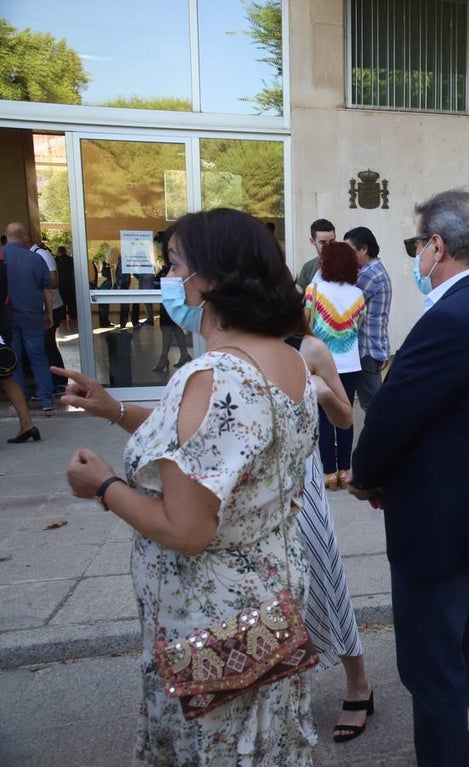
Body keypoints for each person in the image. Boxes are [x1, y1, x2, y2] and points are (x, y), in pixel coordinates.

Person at [56, 208, 318, 764]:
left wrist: (103, 485)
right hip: (271, 599)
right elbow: (215, 444)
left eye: (173, 264)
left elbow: (188, 528)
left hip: (210, 619)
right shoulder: (288, 363)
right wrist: (115, 408)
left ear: (212, 279)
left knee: (213, 746)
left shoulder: (213, 375)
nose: (165, 277)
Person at [349, 189, 469, 766]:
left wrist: (366, 475)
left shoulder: (450, 316)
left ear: (438, 246)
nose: (416, 257)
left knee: (434, 669)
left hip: (436, 527)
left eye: (415, 245)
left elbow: (391, 415)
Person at [286, 323, 375, 743]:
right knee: (277, 595)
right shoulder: (229, 344)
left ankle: (358, 683)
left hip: (301, 484)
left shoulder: (309, 347)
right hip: (254, 489)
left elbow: (343, 414)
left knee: (324, 580)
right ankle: (287, 690)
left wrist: (321, 391)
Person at [304, 241, 365, 489]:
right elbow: (358, 325)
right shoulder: (358, 294)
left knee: (325, 416)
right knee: (346, 414)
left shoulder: (313, 290)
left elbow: (305, 322)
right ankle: (345, 469)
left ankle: (329, 472)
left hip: (322, 363)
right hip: (351, 363)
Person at [3, 223, 54, 412]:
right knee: (38, 357)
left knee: (13, 359)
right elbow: (46, 288)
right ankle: (46, 399)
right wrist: (48, 313)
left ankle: (19, 400)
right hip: (33, 316)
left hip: (7, 317)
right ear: (24, 237)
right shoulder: (35, 258)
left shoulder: (1, 256)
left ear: (6, 236)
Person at [346, 226, 392, 412]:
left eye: (350, 251)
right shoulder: (374, 271)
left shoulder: (370, 275)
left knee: (373, 406)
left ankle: (384, 440)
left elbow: (346, 305)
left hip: (367, 349)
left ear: (364, 249)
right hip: (370, 348)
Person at [1, 256, 39, 443]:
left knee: (7, 381)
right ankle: (27, 425)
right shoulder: (2, 267)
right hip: (2, 328)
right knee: (8, 380)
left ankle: (27, 426)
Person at [29, 237, 66, 393]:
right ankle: (56, 382)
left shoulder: (41, 254)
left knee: (47, 346)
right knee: (47, 345)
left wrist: (29, 282)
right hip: (42, 309)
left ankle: (58, 383)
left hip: (51, 308)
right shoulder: (31, 255)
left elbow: (53, 281)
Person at [151, 235, 192, 373]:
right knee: (173, 327)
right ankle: (184, 353)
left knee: (167, 328)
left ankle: (163, 358)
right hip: (168, 298)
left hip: (171, 298)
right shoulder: (165, 263)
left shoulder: (172, 262)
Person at [296, 218, 337, 289]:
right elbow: (301, 295)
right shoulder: (308, 268)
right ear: (312, 241)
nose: (328, 246)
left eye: (331, 241)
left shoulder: (344, 265)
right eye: (323, 242)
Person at [55, 246, 78, 326]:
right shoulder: (70, 260)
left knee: (62, 300)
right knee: (71, 299)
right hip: (70, 283)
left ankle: (63, 316)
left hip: (61, 283)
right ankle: (73, 314)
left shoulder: (56, 260)